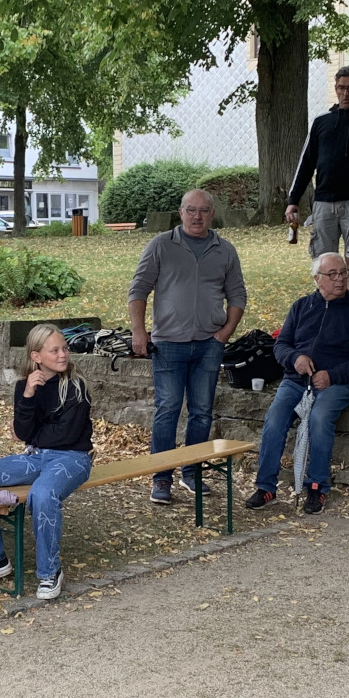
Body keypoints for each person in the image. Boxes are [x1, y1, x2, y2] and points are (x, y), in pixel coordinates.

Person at [128, 188, 247, 504]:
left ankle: (192, 473)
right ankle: (161, 478)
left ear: (212, 214)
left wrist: (225, 332)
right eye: (191, 210)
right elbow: (138, 290)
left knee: (202, 413)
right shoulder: (161, 245)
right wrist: (138, 332)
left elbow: (237, 294)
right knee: (167, 409)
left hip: (209, 345)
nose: (197, 216)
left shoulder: (225, 250)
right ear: (180, 213)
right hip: (168, 344)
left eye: (204, 211)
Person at [0, 323, 93, 601]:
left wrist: (30, 433)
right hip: (35, 456)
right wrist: (29, 397)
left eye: (64, 348)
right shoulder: (24, 387)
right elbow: (23, 431)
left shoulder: (76, 386)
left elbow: (65, 435)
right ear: (36, 356)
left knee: (42, 494)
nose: (62, 355)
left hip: (72, 458)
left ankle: (50, 572)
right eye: (54, 350)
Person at [246, 254, 349, 515]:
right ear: (317, 279)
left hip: (337, 383)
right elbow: (281, 346)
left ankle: (317, 486)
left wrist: (332, 375)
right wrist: (296, 359)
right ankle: (265, 487)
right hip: (296, 380)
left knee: (319, 417)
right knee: (274, 418)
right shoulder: (301, 306)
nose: (340, 279)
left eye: (343, 273)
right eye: (332, 274)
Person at [284, 64, 349, 296]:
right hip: (323, 202)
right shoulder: (321, 121)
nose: (346, 93)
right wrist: (293, 199)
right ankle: (327, 309)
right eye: (341, 88)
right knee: (324, 263)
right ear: (336, 89)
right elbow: (306, 162)